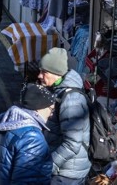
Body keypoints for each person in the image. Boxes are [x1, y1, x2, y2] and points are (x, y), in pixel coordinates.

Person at [38, 47, 91, 184]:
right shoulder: (60, 91)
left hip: (67, 172)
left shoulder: (71, 100)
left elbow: (72, 143)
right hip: (66, 169)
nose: (39, 76)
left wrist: (50, 166)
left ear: (57, 73)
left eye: (44, 72)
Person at [0, 83, 55, 185]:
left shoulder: (10, 124)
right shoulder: (32, 138)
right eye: (51, 109)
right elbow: (28, 180)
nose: (51, 114)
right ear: (39, 108)